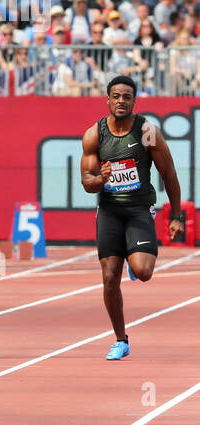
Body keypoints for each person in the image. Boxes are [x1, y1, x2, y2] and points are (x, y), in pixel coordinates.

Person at [79, 76, 184, 361]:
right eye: (116, 96)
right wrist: (100, 180)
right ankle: (120, 340)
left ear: (134, 101)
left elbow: (169, 173)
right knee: (109, 278)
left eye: (127, 97)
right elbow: (87, 182)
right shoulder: (94, 134)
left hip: (139, 210)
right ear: (108, 100)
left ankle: (134, 260)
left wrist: (177, 215)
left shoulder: (147, 132)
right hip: (109, 211)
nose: (121, 101)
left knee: (145, 271)